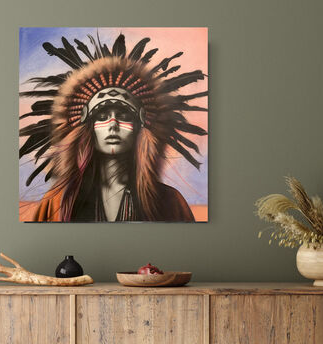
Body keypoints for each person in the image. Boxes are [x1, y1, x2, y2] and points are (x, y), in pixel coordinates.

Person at [19, 32, 207, 222]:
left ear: (140, 127)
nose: (113, 125)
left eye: (124, 115)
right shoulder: (57, 202)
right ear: (88, 128)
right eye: (102, 116)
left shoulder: (168, 201)